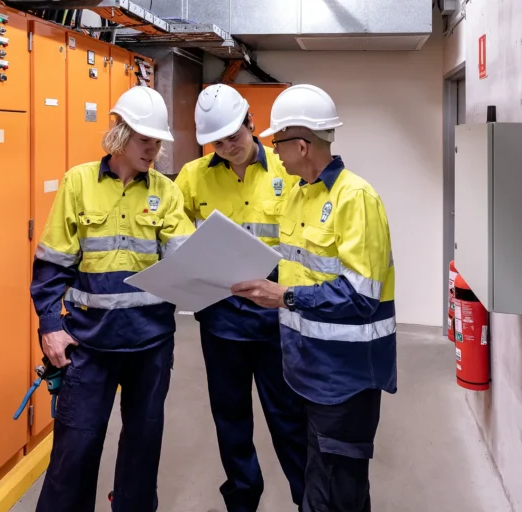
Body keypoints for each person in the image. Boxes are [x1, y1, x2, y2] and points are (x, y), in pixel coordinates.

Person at [231, 84, 397, 512]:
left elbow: (361, 297)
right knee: (319, 483)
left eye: (277, 142)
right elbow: (297, 266)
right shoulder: (299, 195)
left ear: (302, 145)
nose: (274, 152)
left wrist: (284, 296)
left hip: (345, 379)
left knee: (338, 493)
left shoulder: (355, 198)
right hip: (305, 371)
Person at [30, 85, 195, 512]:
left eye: (158, 142)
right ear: (120, 135)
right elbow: (52, 265)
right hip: (89, 345)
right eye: (146, 140)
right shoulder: (78, 183)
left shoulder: (167, 192)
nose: (154, 150)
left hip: (150, 344)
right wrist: (50, 326)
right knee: (74, 452)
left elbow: (186, 263)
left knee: (142, 450)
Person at [174, 84, 307, 512]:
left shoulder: (286, 172)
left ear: (251, 122)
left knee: (289, 421)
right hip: (222, 324)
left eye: (235, 135)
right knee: (230, 422)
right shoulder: (194, 177)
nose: (228, 146)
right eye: (218, 140)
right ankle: (243, 499)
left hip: (276, 322)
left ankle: (309, 499)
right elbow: (173, 235)